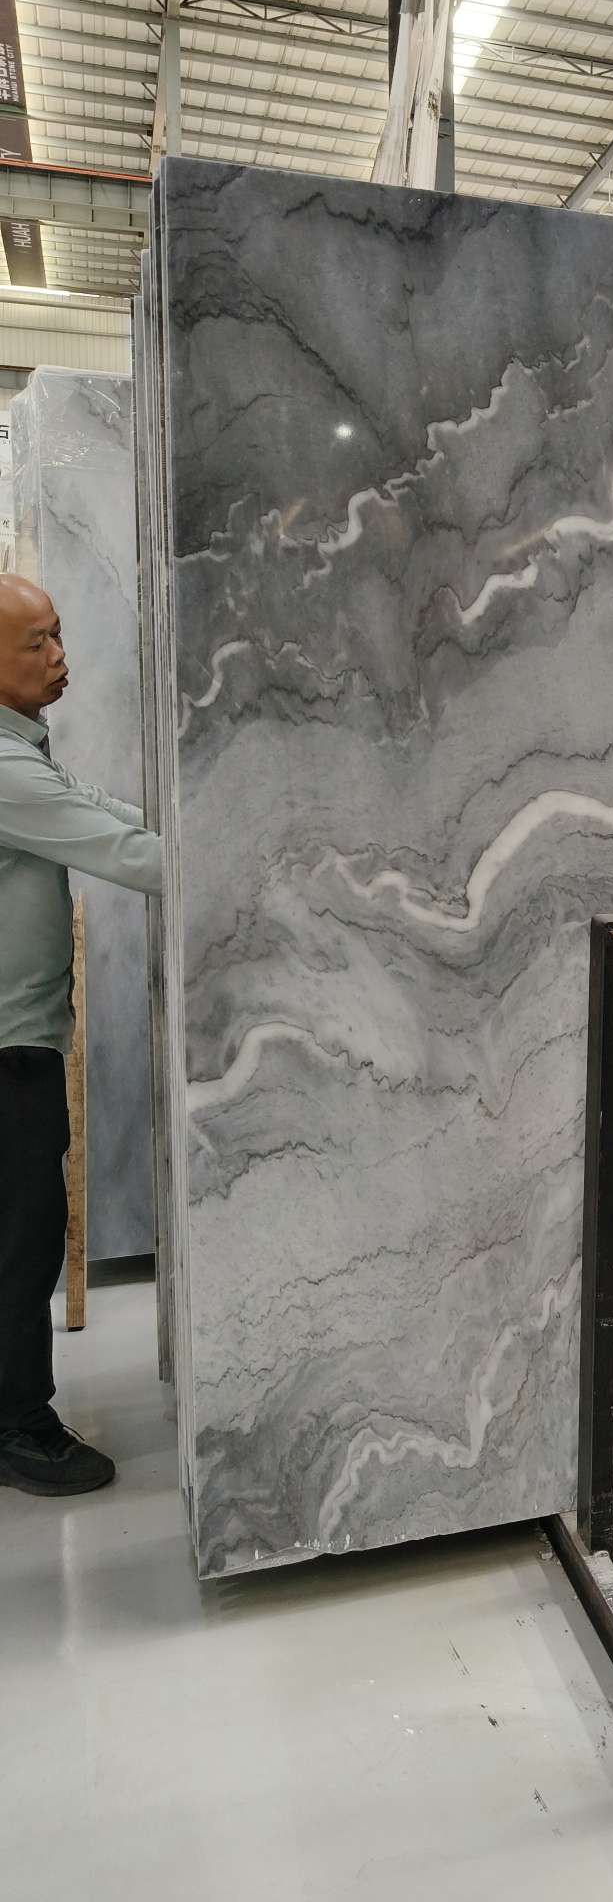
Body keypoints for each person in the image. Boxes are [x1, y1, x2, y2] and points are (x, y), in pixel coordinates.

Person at [0, 572, 162, 1497]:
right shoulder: (2, 764)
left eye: (59, 634)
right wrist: (243, 864)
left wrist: (195, 822)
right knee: (23, 1244)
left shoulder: (26, 748)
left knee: (19, 1236)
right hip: (6, 1055)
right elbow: (124, 852)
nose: (62, 657)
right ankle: (18, 1428)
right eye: (39, 643)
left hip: (19, 1045)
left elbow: (107, 811)